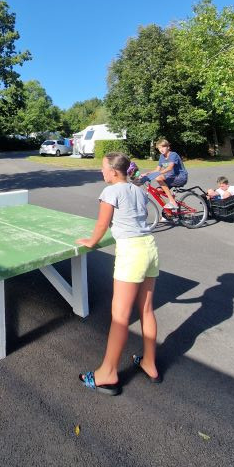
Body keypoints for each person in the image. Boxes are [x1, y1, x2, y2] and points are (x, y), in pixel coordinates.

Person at [75, 152, 161, 395]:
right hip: (149, 248)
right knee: (146, 310)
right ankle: (150, 364)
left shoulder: (111, 191)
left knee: (120, 316)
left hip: (132, 253)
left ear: (113, 172)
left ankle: (108, 374)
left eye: (103, 168)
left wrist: (91, 242)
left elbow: (103, 224)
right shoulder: (138, 190)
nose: (101, 172)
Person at [142, 139, 187, 210]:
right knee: (158, 191)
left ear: (168, 147)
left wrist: (158, 173)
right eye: (159, 148)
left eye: (163, 147)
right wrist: (147, 173)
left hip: (180, 177)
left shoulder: (173, 154)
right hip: (171, 178)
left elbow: (169, 168)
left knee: (159, 178)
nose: (161, 149)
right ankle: (168, 213)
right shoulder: (162, 157)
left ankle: (172, 201)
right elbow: (157, 170)